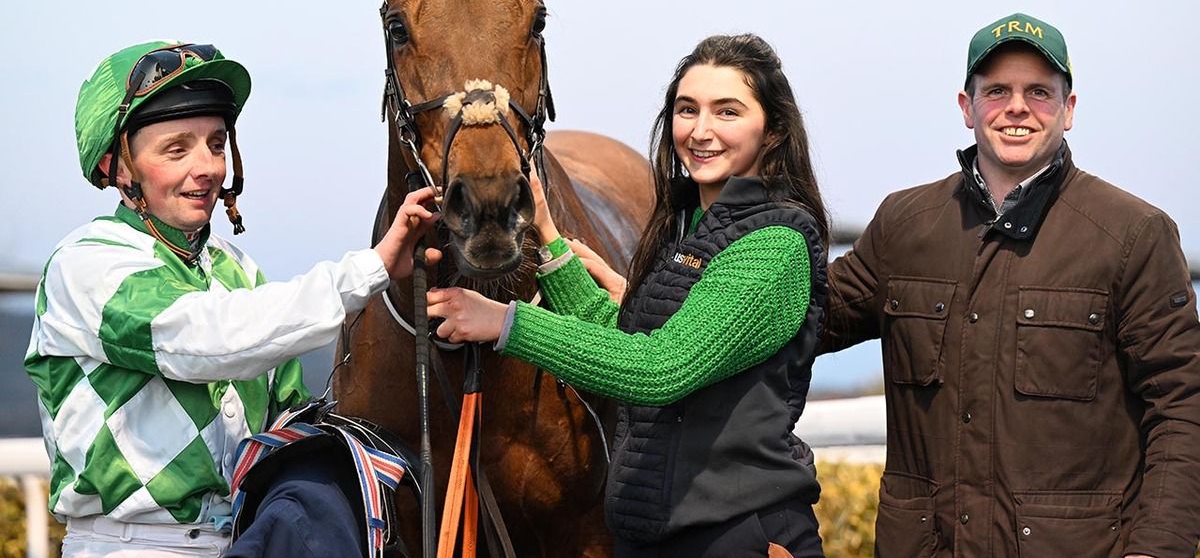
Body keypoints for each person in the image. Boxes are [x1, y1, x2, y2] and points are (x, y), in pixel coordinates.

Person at [26, 41, 439, 557]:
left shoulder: (239, 269)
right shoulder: (86, 263)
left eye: (216, 144)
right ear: (118, 166)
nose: (207, 167)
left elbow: (284, 422)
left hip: (246, 541)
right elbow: (207, 340)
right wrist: (372, 268)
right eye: (177, 149)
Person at [428, 33, 829, 558]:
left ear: (772, 129)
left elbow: (658, 368)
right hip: (660, 532)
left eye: (727, 112)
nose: (701, 131)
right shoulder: (689, 229)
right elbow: (624, 341)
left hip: (738, 535)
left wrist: (507, 323)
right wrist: (548, 242)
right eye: (688, 110)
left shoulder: (773, 247)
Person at [820, 14, 1200, 557]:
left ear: (1069, 110)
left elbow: (1184, 405)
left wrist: (1157, 549)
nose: (1016, 107)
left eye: (1039, 92)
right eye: (997, 90)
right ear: (965, 106)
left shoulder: (1131, 235)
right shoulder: (905, 224)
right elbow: (798, 318)